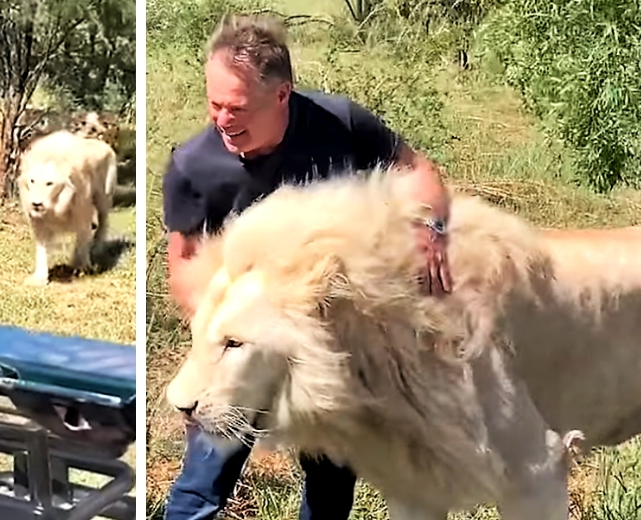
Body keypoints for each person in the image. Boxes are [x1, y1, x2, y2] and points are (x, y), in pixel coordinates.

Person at [160, 13, 453, 520]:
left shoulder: (338, 122)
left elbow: (420, 170)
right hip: (244, 359)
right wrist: (223, 348)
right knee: (203, 483)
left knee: (331, 484)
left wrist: (432, 230)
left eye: (237, 107)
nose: (222, 119)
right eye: (214, 104)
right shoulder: (193, 165)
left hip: (329, 350)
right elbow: (183, 269)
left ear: (282, 94)